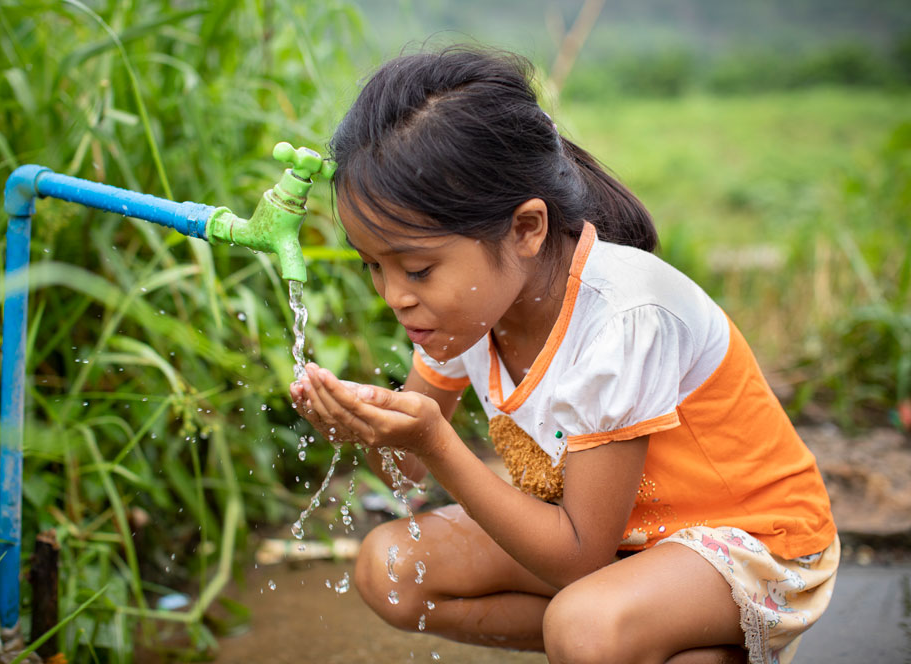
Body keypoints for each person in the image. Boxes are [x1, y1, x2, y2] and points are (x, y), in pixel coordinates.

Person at [289, 46, 838, 664]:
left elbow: (579, 556)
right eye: (374, 267)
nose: (394, 296)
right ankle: (646, 637)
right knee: (391, 568)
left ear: (526, 228)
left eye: (417, 268)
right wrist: (366, 422)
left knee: (585, 626)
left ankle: (651, 638)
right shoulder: (464, 311)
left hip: (753, 546)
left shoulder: (624, 318)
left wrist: (435, 441)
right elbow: (404, 470)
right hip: (622, 542)